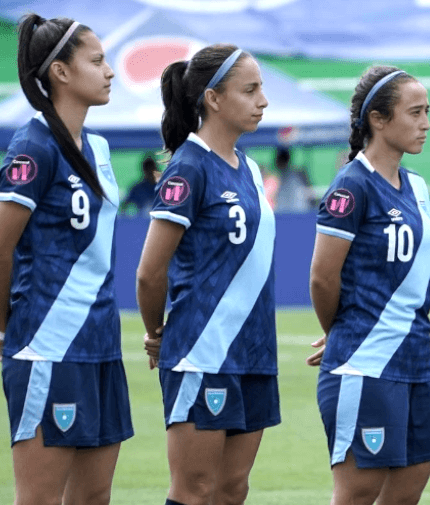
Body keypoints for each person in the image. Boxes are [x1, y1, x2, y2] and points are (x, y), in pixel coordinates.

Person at [0, 14, 132, 505]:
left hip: (103, 345)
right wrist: (10, 326)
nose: (109, 72)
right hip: (47, 345)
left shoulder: (100, 149)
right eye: (97, 60)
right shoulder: (33, 146)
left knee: (94, 498)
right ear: (60, 72)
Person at [135, 44, 278, 505]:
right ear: (213, 99)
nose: (263, 100)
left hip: (254, 352)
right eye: (250, 89)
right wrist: (157, 333)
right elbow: (149, 273)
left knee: (233, 489)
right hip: (202, 350)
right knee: (195, 490)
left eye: (262, 89)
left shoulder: (251, 170)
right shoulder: (189, 167)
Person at [306, 65, 430, 505]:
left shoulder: (418, 188)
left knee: (410, 489)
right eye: (415, 112)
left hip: (416, 365)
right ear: (379, 120)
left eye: (427, 112)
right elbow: (322, 277)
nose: (426, 123)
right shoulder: (352, 185)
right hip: (364, 364)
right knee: (358, 493)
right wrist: (344, 332)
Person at [272, 146, 316, 212]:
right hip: (289, 214)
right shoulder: (276, 177)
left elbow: (311, 196)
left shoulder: (298, 174)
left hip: (299, 213)